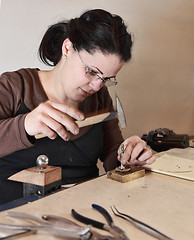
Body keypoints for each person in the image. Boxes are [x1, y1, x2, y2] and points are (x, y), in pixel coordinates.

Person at [0, 9, 156, 205]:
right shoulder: (13, 87)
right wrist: (23, 125)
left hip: (82, 210)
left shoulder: (99, 98)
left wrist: (129, 156)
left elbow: (112, 156)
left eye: (106, 79)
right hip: (15, 218)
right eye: (91, 72)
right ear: (68, 48)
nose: (97, 86)